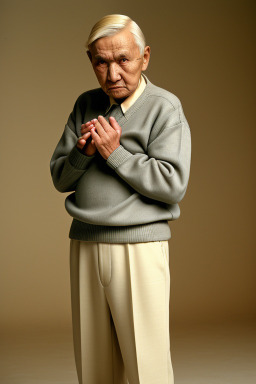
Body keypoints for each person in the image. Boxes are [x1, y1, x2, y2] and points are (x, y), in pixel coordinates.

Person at [50, 14, 191, 384]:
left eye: (123, 60)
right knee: (94, 366)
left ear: (144, 57)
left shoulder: (165, 108)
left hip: (140, 249)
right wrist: (83, 153)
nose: (112, 73)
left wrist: (114, 153)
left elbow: (173, 184)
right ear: (91, 62)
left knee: (147, 366)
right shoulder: (86, 104)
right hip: (84, 243)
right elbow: (60, 179)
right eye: (102, 61)